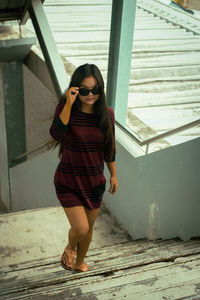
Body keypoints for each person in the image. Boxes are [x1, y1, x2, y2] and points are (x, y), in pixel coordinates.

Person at [49, 63, 118, 272]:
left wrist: (114, 175)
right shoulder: (66, 110)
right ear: (75, 89)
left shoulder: (107, 115)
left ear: (101, 90)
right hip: (68, 181)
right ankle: (70, 250)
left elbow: (109, 148)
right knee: (81, 227)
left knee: (89, 231)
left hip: (94, 182)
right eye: (85, 90)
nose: (91, 94)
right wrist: (68, 104)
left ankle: (79, 263)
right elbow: (56, 134)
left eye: (95, 89)